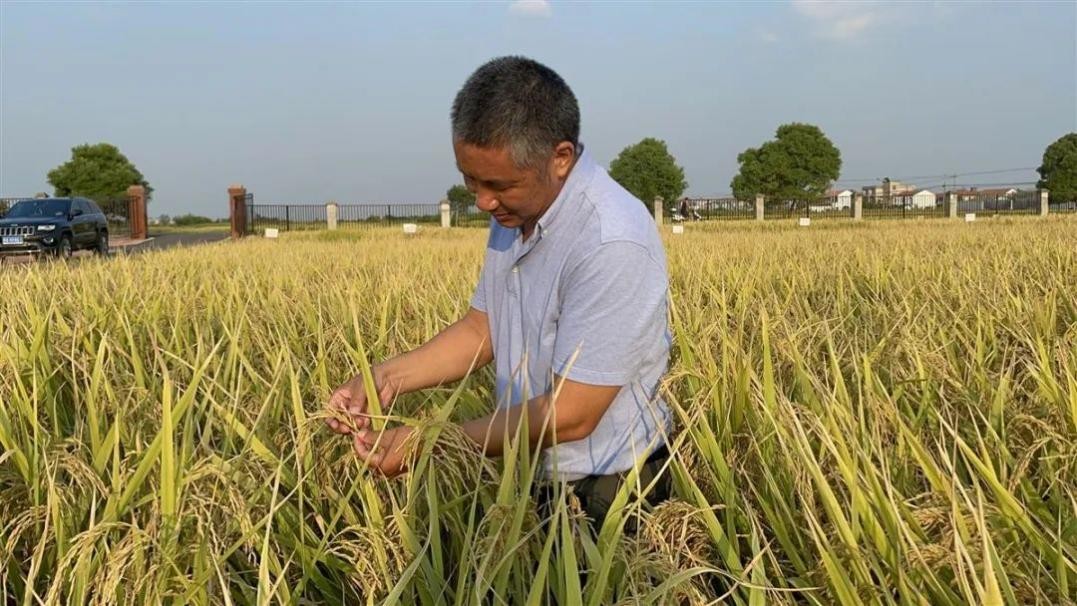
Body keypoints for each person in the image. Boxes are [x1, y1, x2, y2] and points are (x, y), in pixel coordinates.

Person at [326, 56, 672, 529]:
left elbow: (572, 414)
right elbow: (483, 330)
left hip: (607, 491)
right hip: (526, 471)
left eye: (499, 185)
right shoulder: (516, 213)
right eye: (470, 180)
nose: (483, 201)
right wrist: (382, 378)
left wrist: (428, 442)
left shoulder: (611, 241)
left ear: (560, 158)